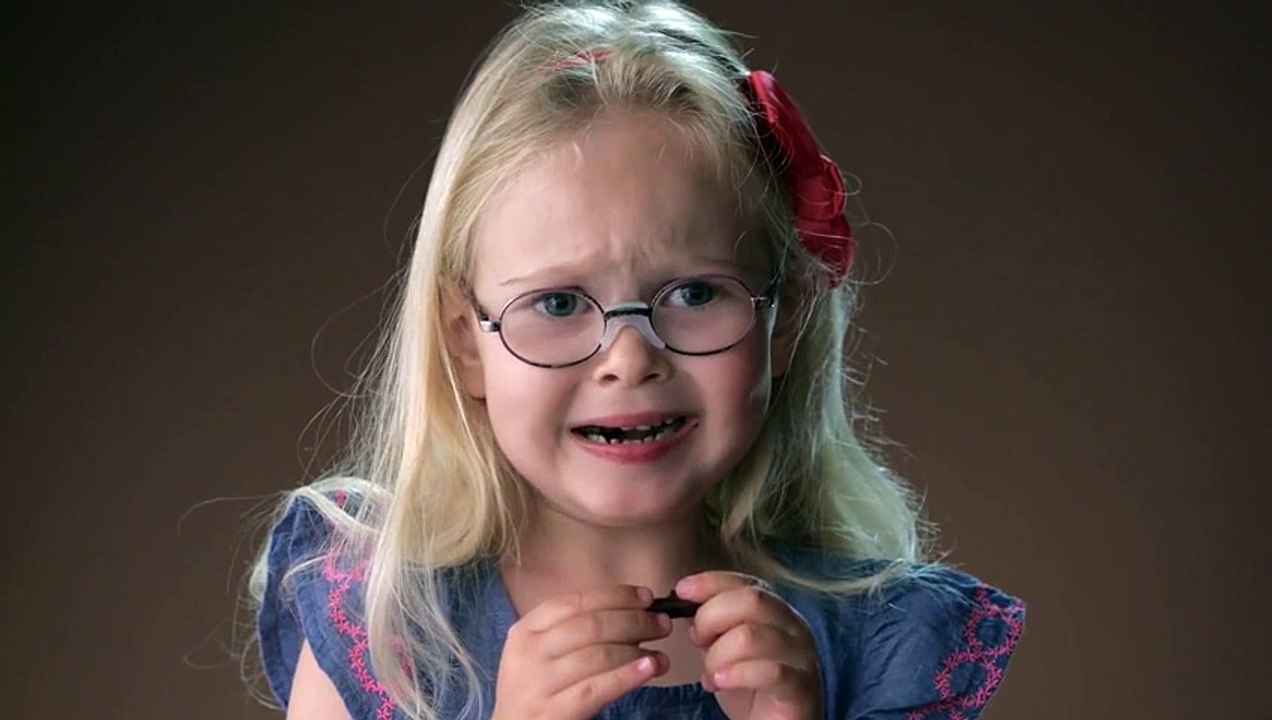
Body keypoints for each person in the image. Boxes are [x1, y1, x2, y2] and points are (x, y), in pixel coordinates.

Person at [246, 2, 1026, 718]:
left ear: (785, 318)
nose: (628, 359)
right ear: (464, 339)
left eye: (693, 294)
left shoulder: (888, 649)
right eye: (556, 304)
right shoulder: (385, 626)